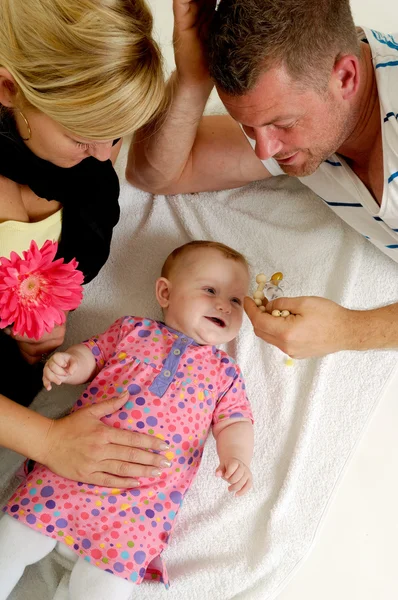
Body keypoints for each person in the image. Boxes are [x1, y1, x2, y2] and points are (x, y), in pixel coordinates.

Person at [126, 0, 398, 359]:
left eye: (282, 124)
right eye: (249, 127)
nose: (264, 150)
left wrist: (350, 330)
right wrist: (193, 78)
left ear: (345, 77)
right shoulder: (305, 105)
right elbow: (156, 174)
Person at [0, 241, 254, 600]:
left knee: (104, 590)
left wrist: (237, 457)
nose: (223, 305)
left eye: (236, 300)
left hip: (140, 505)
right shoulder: (132, 330)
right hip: (69, 468)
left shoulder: (224, 372)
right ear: (165, 292)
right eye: (210, 290)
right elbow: (92, 354)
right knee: (11, 541)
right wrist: (70, 363)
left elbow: (235, 421)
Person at [0, 0, 169, 488]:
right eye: (83, 137)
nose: (103, 154)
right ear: (8, 88)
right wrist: (49, 441)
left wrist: (42, 323)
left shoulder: (86, 175)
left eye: (116, 135)